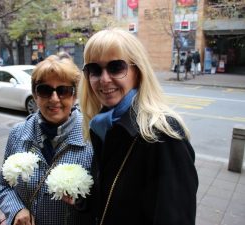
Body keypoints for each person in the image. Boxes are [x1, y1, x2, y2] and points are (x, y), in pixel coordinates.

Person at [78, 28, 198, 225]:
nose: (104, 79)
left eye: (116, 67)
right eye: (95, 70)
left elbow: (175, 216)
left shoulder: (163, 133)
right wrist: (81, 200)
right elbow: (111, 200)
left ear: (138, 71)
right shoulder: (102, 125)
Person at [0, 54, 93, 225]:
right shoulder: (18, 134)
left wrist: (80, 202)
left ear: (74, 95)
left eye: (63, 91)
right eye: (45, 90)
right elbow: (4, 186)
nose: (54, 99)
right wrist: (16, 210)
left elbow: (102, 202)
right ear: (35, 94)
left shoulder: (92, 139)